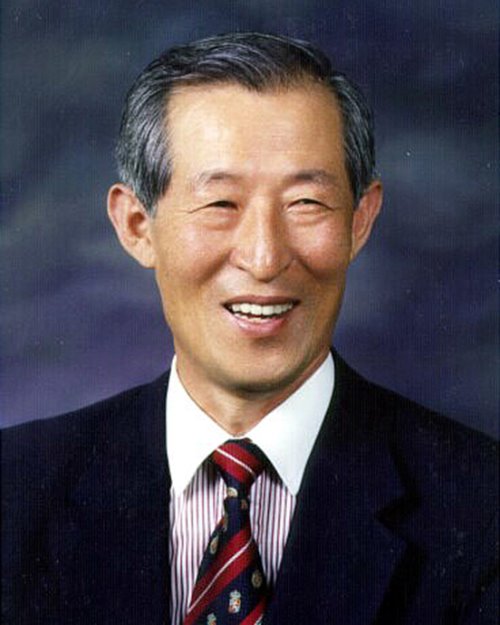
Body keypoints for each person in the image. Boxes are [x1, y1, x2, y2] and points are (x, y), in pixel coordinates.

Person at [2, 33, 497, 625]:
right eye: (221, 204)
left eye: (306, 203)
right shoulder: (15, 489)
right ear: (136, 225)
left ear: (360, 221)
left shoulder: (482, 508)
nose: (264, 258)